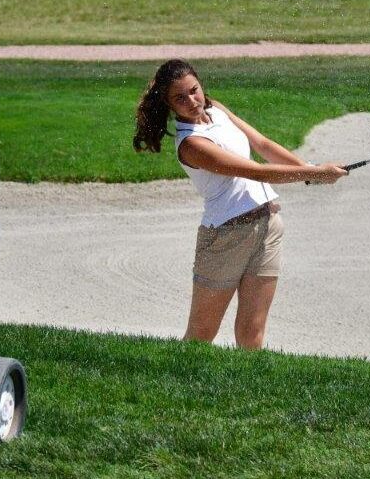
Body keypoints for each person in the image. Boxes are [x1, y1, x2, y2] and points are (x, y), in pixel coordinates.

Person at [133, 59, 346, 350]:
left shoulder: (216, 109)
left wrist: (310, 170)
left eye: (194, 90)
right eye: (179, 98)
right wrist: (313, 173)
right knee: (201, 334)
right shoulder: (190, 144)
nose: (192, 101)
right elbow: (252, 170)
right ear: (169, 104)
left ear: (201, 84)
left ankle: (254, 393)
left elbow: (262, 144)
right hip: (225, 236)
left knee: (252, 331)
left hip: (268, 224)